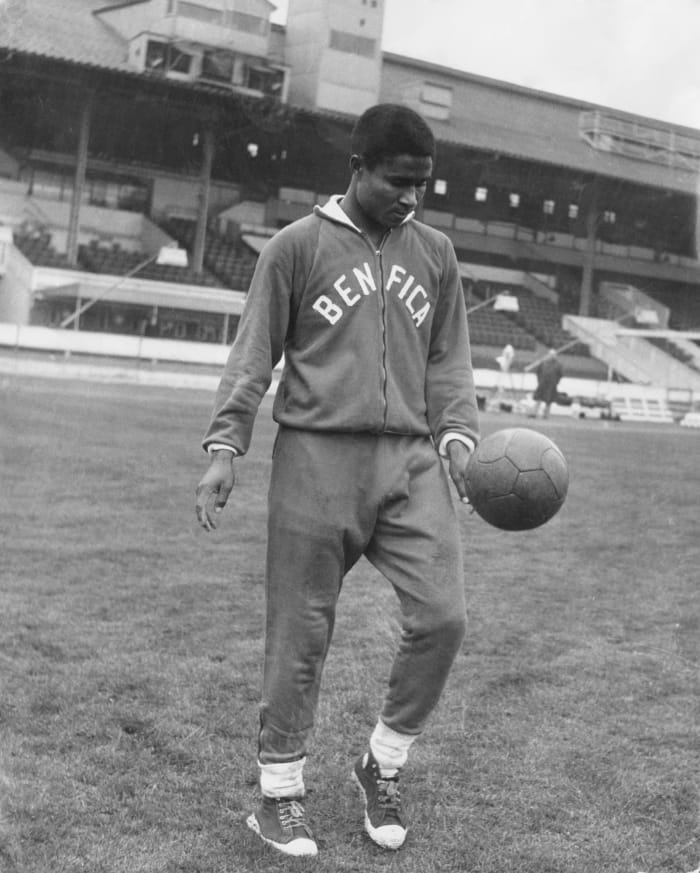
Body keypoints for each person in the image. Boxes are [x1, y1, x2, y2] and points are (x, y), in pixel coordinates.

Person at [195, 103, 480, 858]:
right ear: (356, 168)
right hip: (317, 457)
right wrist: (226, 444)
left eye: (423, 184)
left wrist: (457, 438)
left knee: (444, 616)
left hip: (413, 459)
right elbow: (253, 352)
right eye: (398, 181)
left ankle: (381, 762)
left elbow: (450, 358)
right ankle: (278, 795)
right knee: (301, 632)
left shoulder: (437, 253)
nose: (411, 197)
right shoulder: (296, 247)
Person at [532, 348, 563, 418]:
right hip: (542, 383)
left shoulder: (558, 365)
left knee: (548, 401)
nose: (551, 356)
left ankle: (545, 415)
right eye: (550, 354)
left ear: (555, 356)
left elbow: (560, 375)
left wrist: (556, 382)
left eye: (553, 355)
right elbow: (538, 372)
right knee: (538, 399)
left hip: (551, 385)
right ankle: (534, 413)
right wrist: (540, 380)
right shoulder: (543, 363)